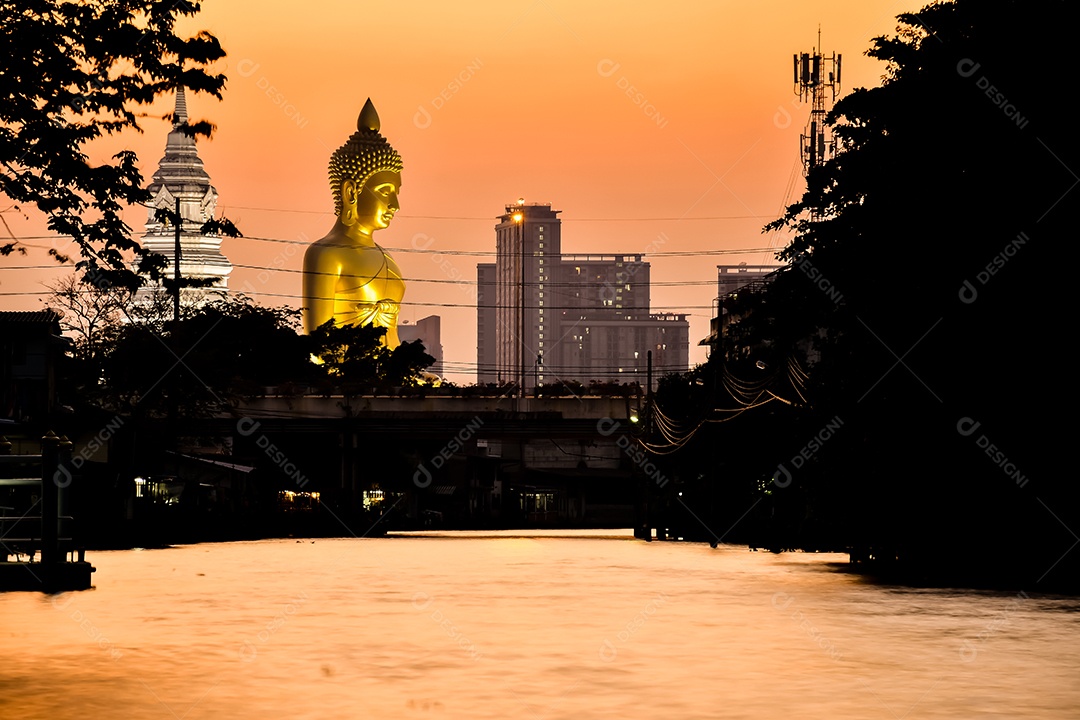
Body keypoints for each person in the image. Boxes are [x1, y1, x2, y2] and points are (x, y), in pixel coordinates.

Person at [303, 99, 405, 346]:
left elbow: (393, 340)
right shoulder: (326, 254)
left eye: (396, 193)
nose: (394, 205)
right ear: (351, 192)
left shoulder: (387, 258)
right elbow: (317, 344)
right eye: (384, 191)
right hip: (347, 377)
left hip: (389, 377)